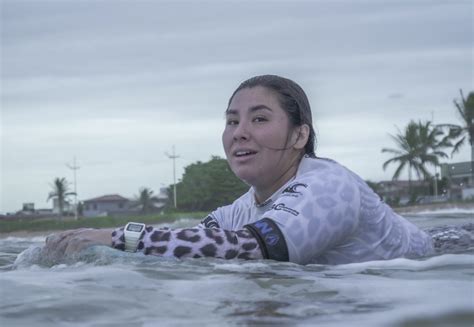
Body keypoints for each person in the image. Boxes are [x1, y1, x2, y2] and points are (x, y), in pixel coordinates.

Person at [44, 75, 435, 265]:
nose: (240, 133)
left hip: (440, 257)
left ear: (300, 136)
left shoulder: (330, 186)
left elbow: (249, 248)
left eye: (259, 119)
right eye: (232, 122)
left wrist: (119, 235)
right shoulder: (241, 210)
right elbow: (192, 243)